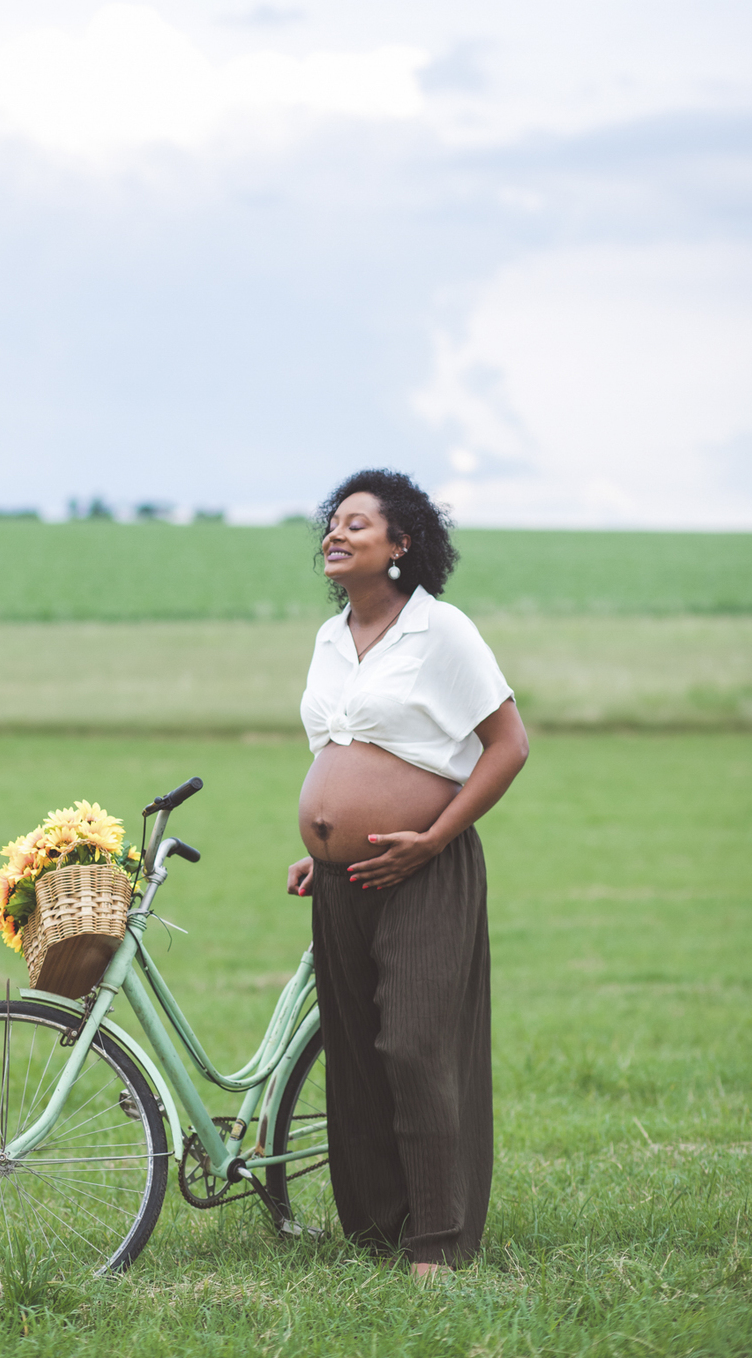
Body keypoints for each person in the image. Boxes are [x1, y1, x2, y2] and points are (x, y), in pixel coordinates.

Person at [287, 468, 528, 1275]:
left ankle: (439, 1241)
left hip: (425, 868)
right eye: (333, 522)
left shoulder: (442, 631)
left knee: (416, 1046)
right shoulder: (329, 640)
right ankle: (378, 1230)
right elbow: (342, 753)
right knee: (354, 1053)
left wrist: (431, 839)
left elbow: (508, 746)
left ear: (402, 545)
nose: (338, 533)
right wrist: (322, 845)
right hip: (341, 881)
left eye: (359, 523)